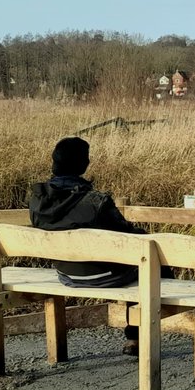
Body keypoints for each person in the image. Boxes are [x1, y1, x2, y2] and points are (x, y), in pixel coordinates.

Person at [29, 136, 148, 354]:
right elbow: (128, 236)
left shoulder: (38, 200)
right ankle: (136, 336)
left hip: (65, 273)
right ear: (84, 165)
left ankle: (138, 335)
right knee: (148, 264)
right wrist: (144, 234)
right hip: (104, 276)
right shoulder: (96, 201)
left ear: (54, 163)